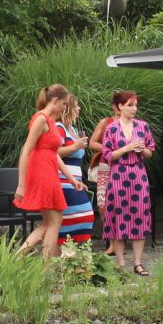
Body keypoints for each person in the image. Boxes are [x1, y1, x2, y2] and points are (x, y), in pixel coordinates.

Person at [14, 84, 86, 257]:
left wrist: (71, 179)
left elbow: (54, 154)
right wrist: (21, 184)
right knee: (54, 221)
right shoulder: (40, 119)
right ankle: (43, 269)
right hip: (41, 172)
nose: (64, 108)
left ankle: (18, 261)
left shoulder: (51, 121)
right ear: (55, 100)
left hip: (49, 171)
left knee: (51, 222)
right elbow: (26, 151)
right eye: (63, 104)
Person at [101, 90, 157, 275]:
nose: (134, 108)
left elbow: (150, 151)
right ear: (119, 107)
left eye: (135, 105)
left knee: (140, 214)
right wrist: (126, 148)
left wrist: (142, 150)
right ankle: (121, 261)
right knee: (118, 215)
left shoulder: (143, 126)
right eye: (130, 105)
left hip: (138, 174)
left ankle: (138, 263)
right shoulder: (111, 128)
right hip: (118, 175)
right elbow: (107, 155)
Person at [55, 95, 94, 245]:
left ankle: (73, 258)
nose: (79, 109)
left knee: (83, 217)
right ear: (68, 108)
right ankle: (63, 256)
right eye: (76, 106)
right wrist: (75, 147)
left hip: (74, 181)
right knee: (81, 215)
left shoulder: (74, 129)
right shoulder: (60, 128)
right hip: (62, 181)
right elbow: (53, 151)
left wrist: (80, 181)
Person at [87, 94, 121, 255]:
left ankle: (116, 245)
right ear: (114, 106)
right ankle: (113, 242)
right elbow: (92, 142)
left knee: (121, 205)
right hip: (105, 166)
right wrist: (108, 149)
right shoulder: (105, 122)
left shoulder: (135, 125)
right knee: (102, 206)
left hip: (123, 168)